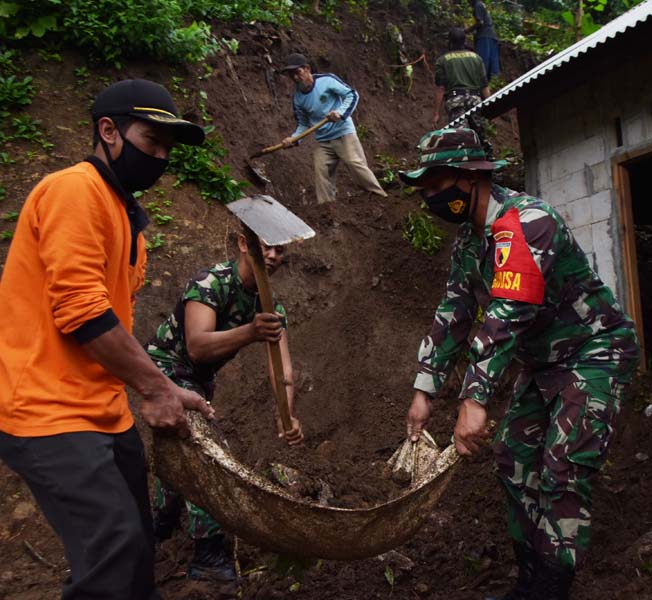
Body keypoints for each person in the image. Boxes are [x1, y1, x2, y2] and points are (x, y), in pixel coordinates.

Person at [400, 128, 639, 600]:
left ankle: (552, 588)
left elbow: (508, 311)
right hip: (542, 362)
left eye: (435, 184)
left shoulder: (529, 221)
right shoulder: (470, 244)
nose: (429, 197)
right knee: (512, 459)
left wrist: (474, 398)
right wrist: (424, 391)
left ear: (470, 177)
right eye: (424, 189)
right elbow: (454, 315)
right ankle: (529, 581)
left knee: (564, 465)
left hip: (593, 351)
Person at [0, 79, 214, 599]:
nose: (160, 156)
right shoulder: (74, 190)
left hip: (102, 408)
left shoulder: (125, 215)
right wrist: (157, 389)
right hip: (47, 410)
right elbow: (83, 314)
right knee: (113, 550)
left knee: (135, 550)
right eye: (151, 140)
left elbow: (110, 317)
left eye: (168, 148)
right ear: (108, 130)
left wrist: (154, 384)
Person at [148, 230, 303, 581]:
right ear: (244, 244)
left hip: (200, 381)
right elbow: (198, 346)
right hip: (165, 368)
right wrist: (250, 331)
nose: (275, 256)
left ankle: (161, 522)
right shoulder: (210, 283)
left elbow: (284, 372)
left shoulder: (269, 306)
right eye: (268, 246)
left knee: (181, 446)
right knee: (207, 449)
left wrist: (287, 414)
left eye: (281, 249)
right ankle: (209, 554)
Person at [279, 53, 387, 205]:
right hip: (324, 141)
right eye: (291, 75)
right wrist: (293, 139)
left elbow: (352, 95)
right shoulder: (298, 98)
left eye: (298, 72)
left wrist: (340, 113)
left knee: (354, 164)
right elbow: (303, 124)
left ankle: (380, 198)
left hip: (343, 132)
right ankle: (327, 209)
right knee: (321, 170)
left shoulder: (327, 80)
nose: (295, 78)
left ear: (307, 69)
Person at [433, 27, 492, 157]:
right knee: (480, 135)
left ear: (450, 42)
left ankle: (465, 166)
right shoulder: (476, 58)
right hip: (476, 100)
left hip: (455, 101)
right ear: (465, 41)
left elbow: (441, 89)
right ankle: (486, 164)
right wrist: (490, 106)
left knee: (461, 137)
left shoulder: (442, 60)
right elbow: (484, 86)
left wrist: (436, 113)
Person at [466, 0, 500, 79]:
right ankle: (492, 84)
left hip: (484, 36)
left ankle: (480, 83)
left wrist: (466, 31)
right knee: (492, 66)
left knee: (482, 64)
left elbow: (479, 22)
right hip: (491, 36)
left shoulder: (478, 5)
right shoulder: (482, 5)